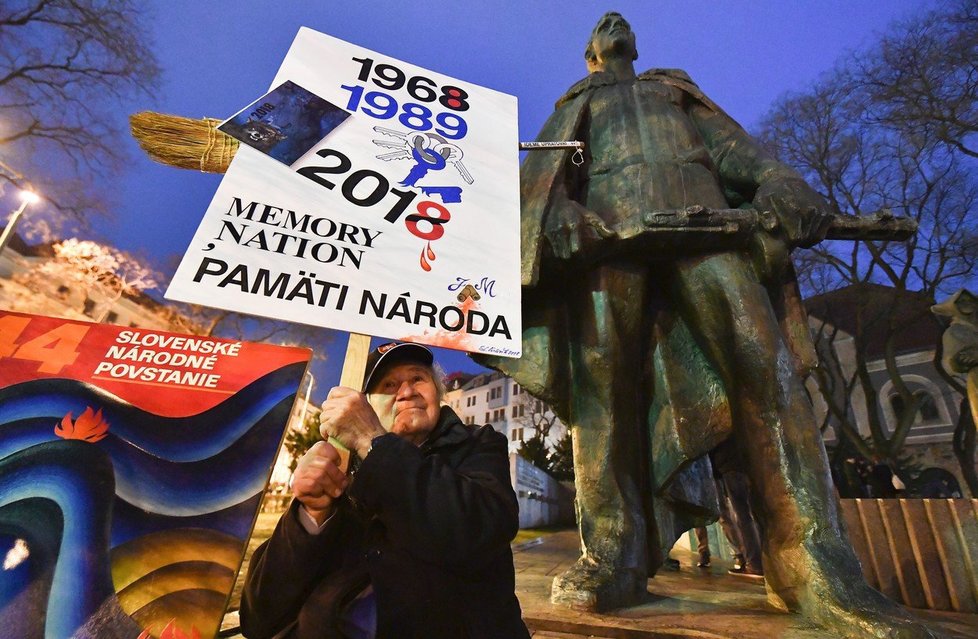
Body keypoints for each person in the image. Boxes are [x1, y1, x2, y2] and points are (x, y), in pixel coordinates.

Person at [479, 12, 937, 638]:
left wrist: (780, 181)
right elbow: (546, 177)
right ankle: (612, 554)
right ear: (591, 55)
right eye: (601, 24)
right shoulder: (578, 102)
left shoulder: (673, 88)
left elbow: (735, 151)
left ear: (631, 47)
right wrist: (558, 210)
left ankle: (817, 567)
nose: (614, 19)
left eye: (622, 19)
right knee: (600, 388)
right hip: (610, 242)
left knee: (767, 377)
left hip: (710, 230)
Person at [241, 342, 530, 639]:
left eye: (418, 378)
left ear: (438, 393)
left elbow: (480, 529)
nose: (406, 391)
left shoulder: (478, 445)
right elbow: (260, 618)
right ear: (366, 405)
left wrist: (372, 441)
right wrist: (311, 514)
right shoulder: (340, 470)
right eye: (389, 385)